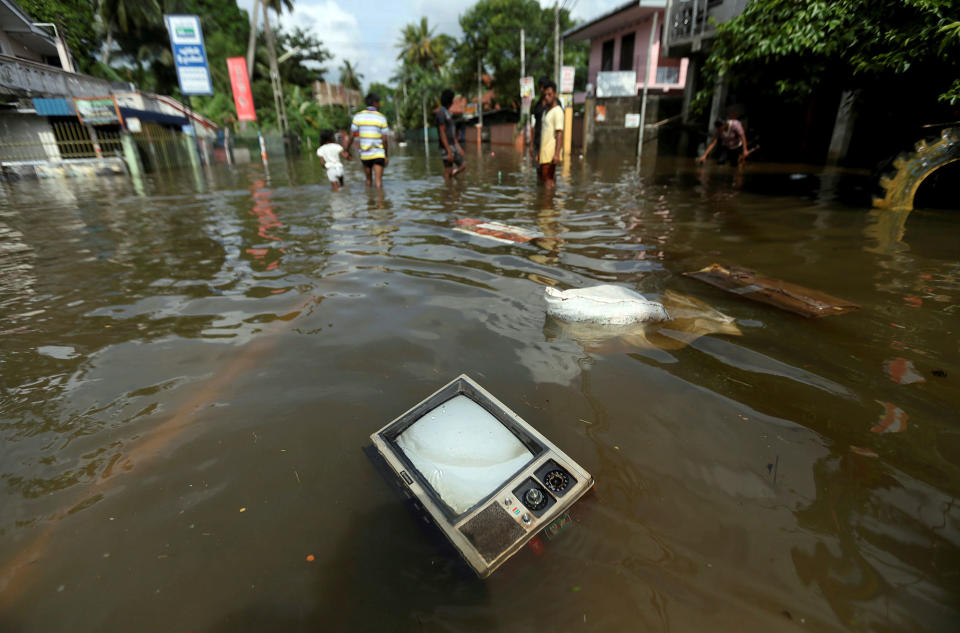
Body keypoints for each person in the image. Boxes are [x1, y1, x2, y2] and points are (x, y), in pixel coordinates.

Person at [345, 93, 389, 189]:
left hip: (365, 154)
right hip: (378, 153)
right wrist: (386, 155)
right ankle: (381, 203)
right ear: (375, 103)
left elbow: (351, 136)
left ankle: (369, 203)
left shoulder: (358, 117)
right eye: (379, 103)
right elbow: (385, 140)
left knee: (368, 181)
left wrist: (346, 150)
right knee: (378, 183)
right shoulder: (381, 117)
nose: (380, 105)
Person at [537, 80, 564, 188]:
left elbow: (559, 133)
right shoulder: (546, 112)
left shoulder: (557, 111)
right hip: (544, 153)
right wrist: (539, 153)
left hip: (550, 154)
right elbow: (544, 135)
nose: (547, 97)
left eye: (550, 94)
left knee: (548, 180)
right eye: (545, 95)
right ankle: (549, 202)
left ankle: (547, 204)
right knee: (546, 180)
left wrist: (557, 154)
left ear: (555, 95)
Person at [436, 89, 466, 180]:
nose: (453, 101)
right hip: (446, 146)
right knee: (448, 169)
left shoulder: (447, 113)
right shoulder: (441, 113)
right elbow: (442, 133)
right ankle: (447, 189)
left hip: (452, 144)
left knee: (462, 165)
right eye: (452, 99)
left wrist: (458, 147)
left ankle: (449, 183)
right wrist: (448, 151)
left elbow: (451, 132)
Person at [529, 76, 551, 169]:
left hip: (549, 143)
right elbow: (534, 124)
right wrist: (531, 144)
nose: (542, 89)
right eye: (540, 87)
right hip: (538, 142)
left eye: (543, 87)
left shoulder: (554, 104)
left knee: (548, 171)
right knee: (538, 169)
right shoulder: (538, 104)